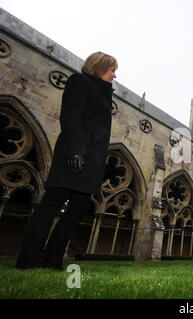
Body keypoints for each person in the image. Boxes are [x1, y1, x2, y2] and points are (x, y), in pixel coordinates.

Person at [15, 52, 118, 270]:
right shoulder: (79, 81)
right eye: (112, 70)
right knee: (50, 207)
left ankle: (53, 260)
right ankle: (30, 259)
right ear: (99, 68)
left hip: (91, 162)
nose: (114, 75)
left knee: (76, 212)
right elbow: (70, 116)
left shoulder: (105, 95)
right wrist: (75, 151)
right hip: (74, 155)